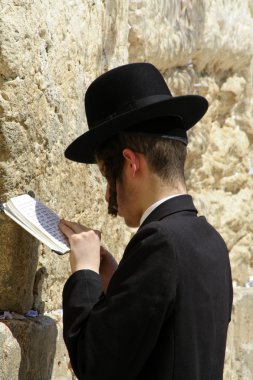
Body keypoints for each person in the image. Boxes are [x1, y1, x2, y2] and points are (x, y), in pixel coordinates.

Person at [59, 63, 233, 380]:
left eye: (106, 177)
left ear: (131, 163)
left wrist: (84, 273)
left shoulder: (160, 244)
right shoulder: (210, 241)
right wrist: (118, 285)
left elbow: (96, 365)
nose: (108, 194)